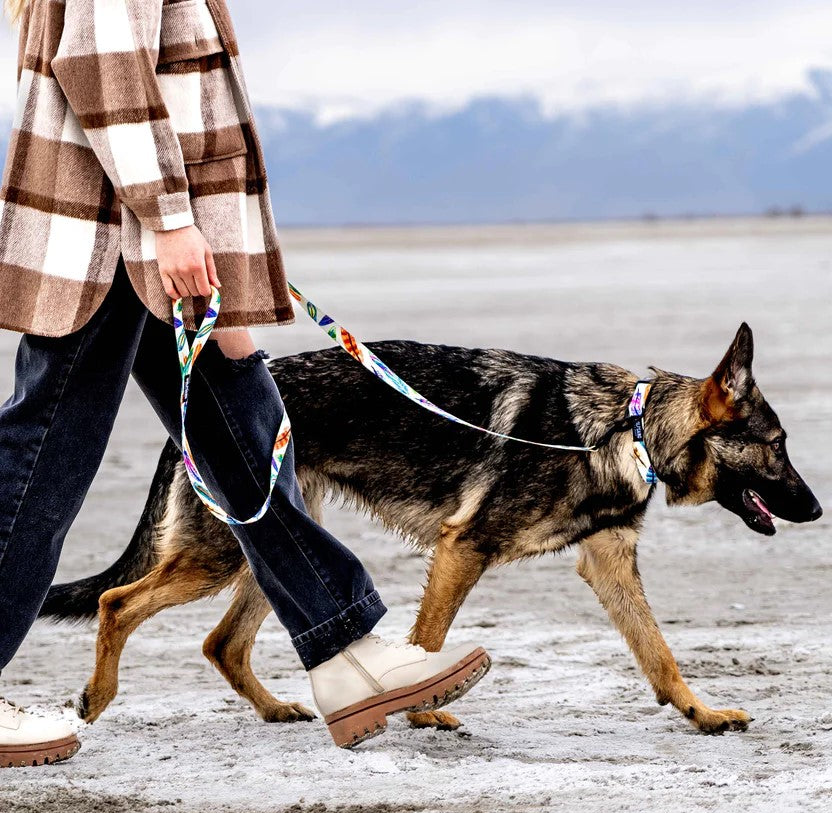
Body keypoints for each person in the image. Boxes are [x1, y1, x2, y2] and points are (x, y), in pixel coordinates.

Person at [0, 0, 489, 766]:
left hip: (157, 248)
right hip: (111, 240)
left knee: (249, 437)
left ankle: (345, 651)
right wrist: (168, 221)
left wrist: (223, 268)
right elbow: (102, 66)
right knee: (40, 462)